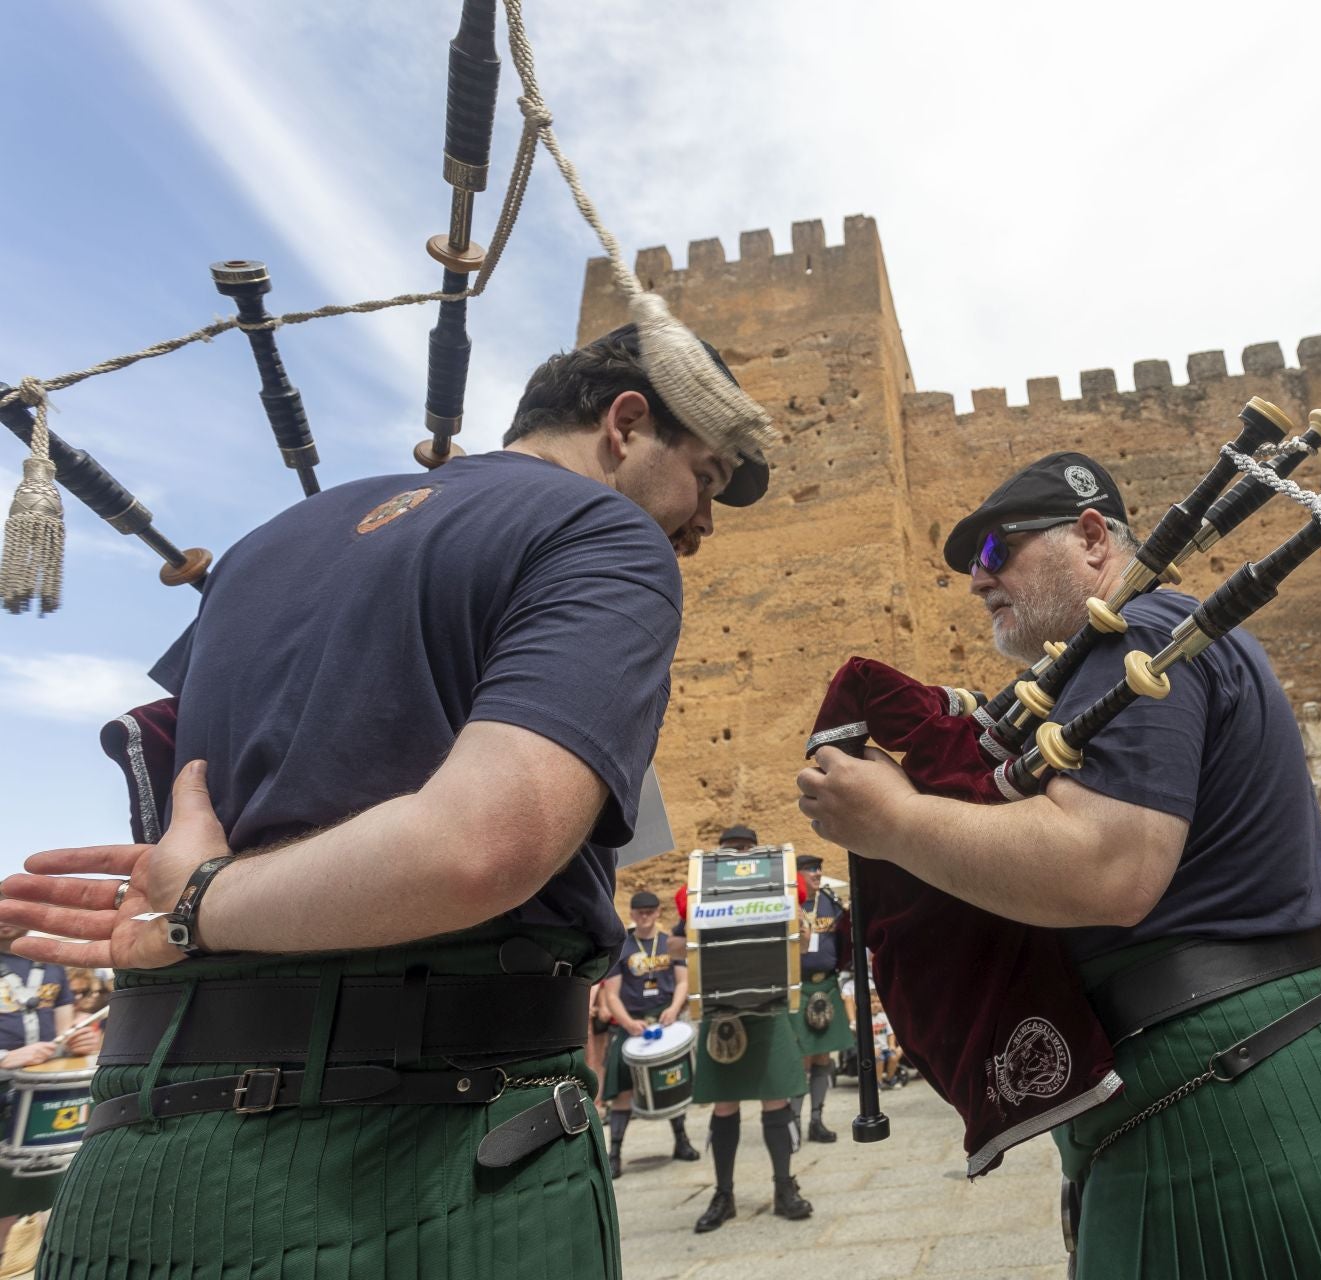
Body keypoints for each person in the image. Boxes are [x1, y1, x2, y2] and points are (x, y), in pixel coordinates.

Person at [0, 322, 773, 1278]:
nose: (706, 521)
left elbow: (198, 788)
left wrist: (196, 903)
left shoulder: (261, 547)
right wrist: (207, 900)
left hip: (140, 1170)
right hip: (425, 1168)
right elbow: (478, 847)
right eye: (706, 477)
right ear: (625, 423)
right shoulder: (603, 532)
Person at [798, 453, 1321, 1278]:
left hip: (1229, 1096)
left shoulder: (1133, 637)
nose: (978, 582)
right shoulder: (1168, 633)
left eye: (998, 553)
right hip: (1284, 1060)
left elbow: (1108, 868)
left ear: (1093, 538)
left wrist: (893, 819)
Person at [686, 828, 815, 1233]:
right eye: (733, 851)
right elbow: (684, 946)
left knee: (775, 1101)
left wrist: (803, 932)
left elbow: (803, 939)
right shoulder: (702, 891)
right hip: (723, 1013)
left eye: (746, 850)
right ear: (720, 856)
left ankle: (784, 1188)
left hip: (767, 1007)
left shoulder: (780, 887)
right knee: (725, 1106)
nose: (740, 856)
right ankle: (723, 1195)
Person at [0, 923, 104, 1259]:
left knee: (28, 1194)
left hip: (34, 1099)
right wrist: (5, 1058)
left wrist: (79, 1042)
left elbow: (62, 1034)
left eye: (14, 906)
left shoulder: (49, 965)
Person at [600, 891, 697, 1174]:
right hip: (634, 1027)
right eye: (640, 912)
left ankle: (682, 1141)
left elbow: (682, 982)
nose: (645, 916)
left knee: (673, 1083)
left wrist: (675, 1008)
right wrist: (628, 1022)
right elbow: (612, 994)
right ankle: (615, 1153)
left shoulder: (670, 943)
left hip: (665, 1023)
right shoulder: (623, 948)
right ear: (631, 914)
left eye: (651, 911)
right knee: (623, 1092)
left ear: (657, 912)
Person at [789, 853, 854, 1143]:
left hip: (826, 985)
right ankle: (792, 1122)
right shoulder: (790, 903)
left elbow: (844, 937)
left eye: (818, 868)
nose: (816, 873)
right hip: (798, 988)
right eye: (810, 869)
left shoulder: (829, 901)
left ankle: (817, 1120)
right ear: (797, 873)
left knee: (823, 1056)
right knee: (800, 1057)